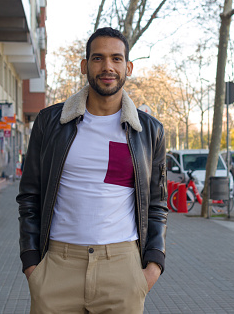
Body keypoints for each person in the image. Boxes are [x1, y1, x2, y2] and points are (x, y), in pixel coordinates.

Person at [17, 27, 168, 313]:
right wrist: (31, 264)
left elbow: (157, 203)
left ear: (129, 67)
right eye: (98, 58)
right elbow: (29, 196)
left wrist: (153, 265)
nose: (107, 67)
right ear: (85, 66)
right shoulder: (51, 122)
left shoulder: (148, 131)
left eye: (116, 59)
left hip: (122, 266)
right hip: (57, 266)